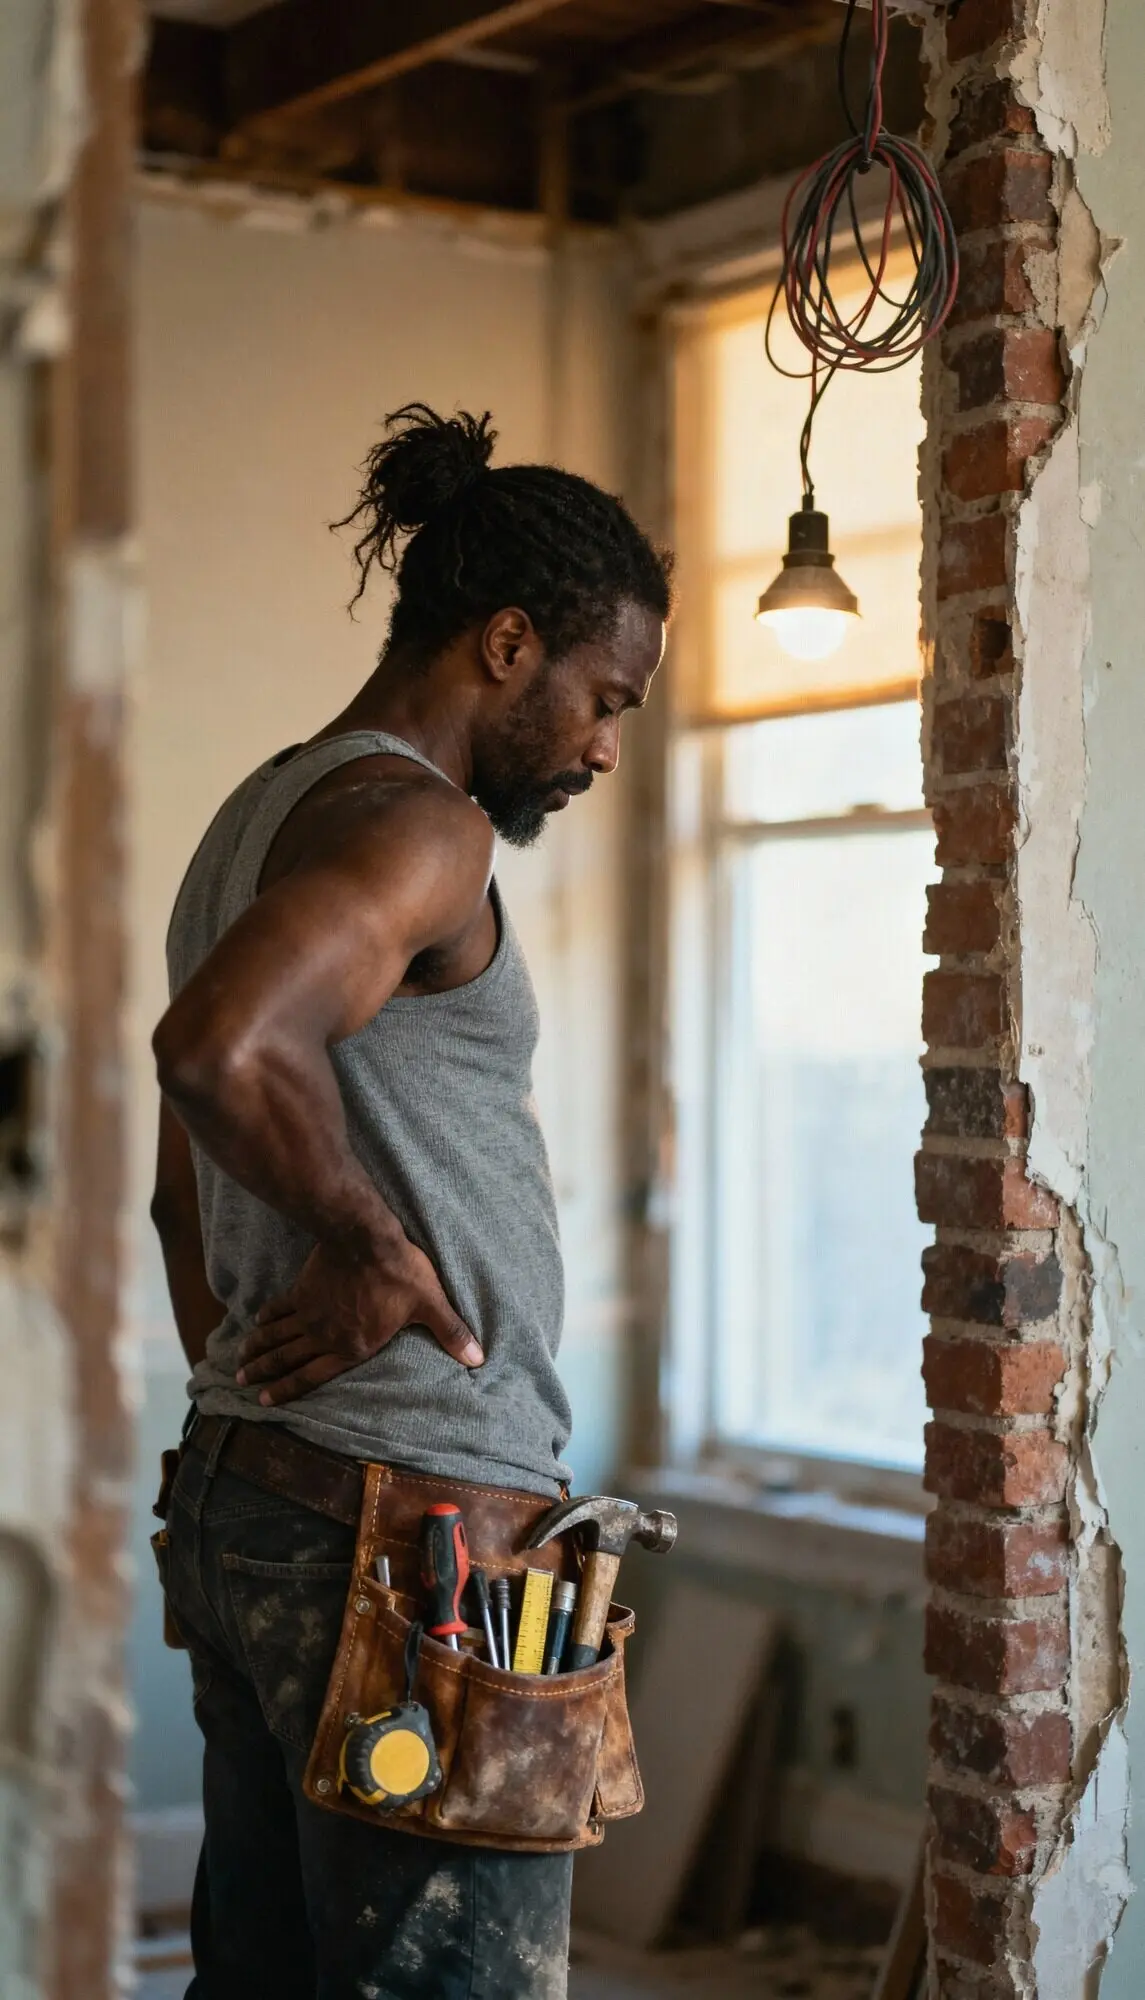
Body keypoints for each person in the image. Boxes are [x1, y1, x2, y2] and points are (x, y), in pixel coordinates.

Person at [150, 403, 672, 2000]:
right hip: (410, 1529)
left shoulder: (260, 814)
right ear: (507, 645)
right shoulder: (422, 826)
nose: (602, 748)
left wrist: (257, 1398)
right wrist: (371, 1246)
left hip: (265, 1493)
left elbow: (178, 1199)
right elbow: (219, 1050)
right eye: (603, 699)